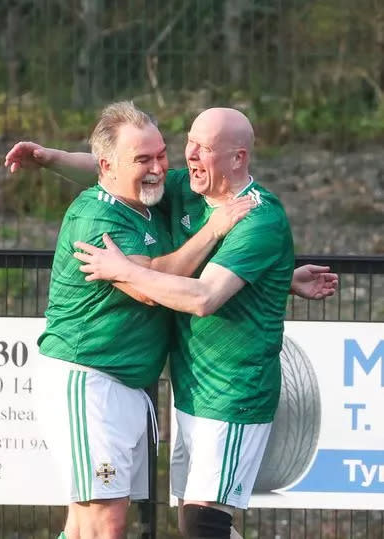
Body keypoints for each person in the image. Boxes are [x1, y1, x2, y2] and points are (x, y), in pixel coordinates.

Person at [7, 108, 338, 539]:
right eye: (189, 145)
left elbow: (202, 297)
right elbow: (117, 166)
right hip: (122, 381)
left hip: (231, 390)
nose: (183, 160)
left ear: (238, 158)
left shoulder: (254, 215)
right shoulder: (174, 193)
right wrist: (52, 160)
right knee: (122, 522)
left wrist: (123, 269)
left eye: (202, 149)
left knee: (193, 523)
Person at [36, 102, 255, 539]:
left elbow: (104, 165)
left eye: (160, 154)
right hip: (90, 380)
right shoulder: (98, 216)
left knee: (88, 525)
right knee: (104, 523)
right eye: (143, 160)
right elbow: (149, 287)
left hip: (128, 385)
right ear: (108, 166)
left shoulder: (149, 198)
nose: (158, 168)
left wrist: (53, 159)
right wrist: (213, 230)